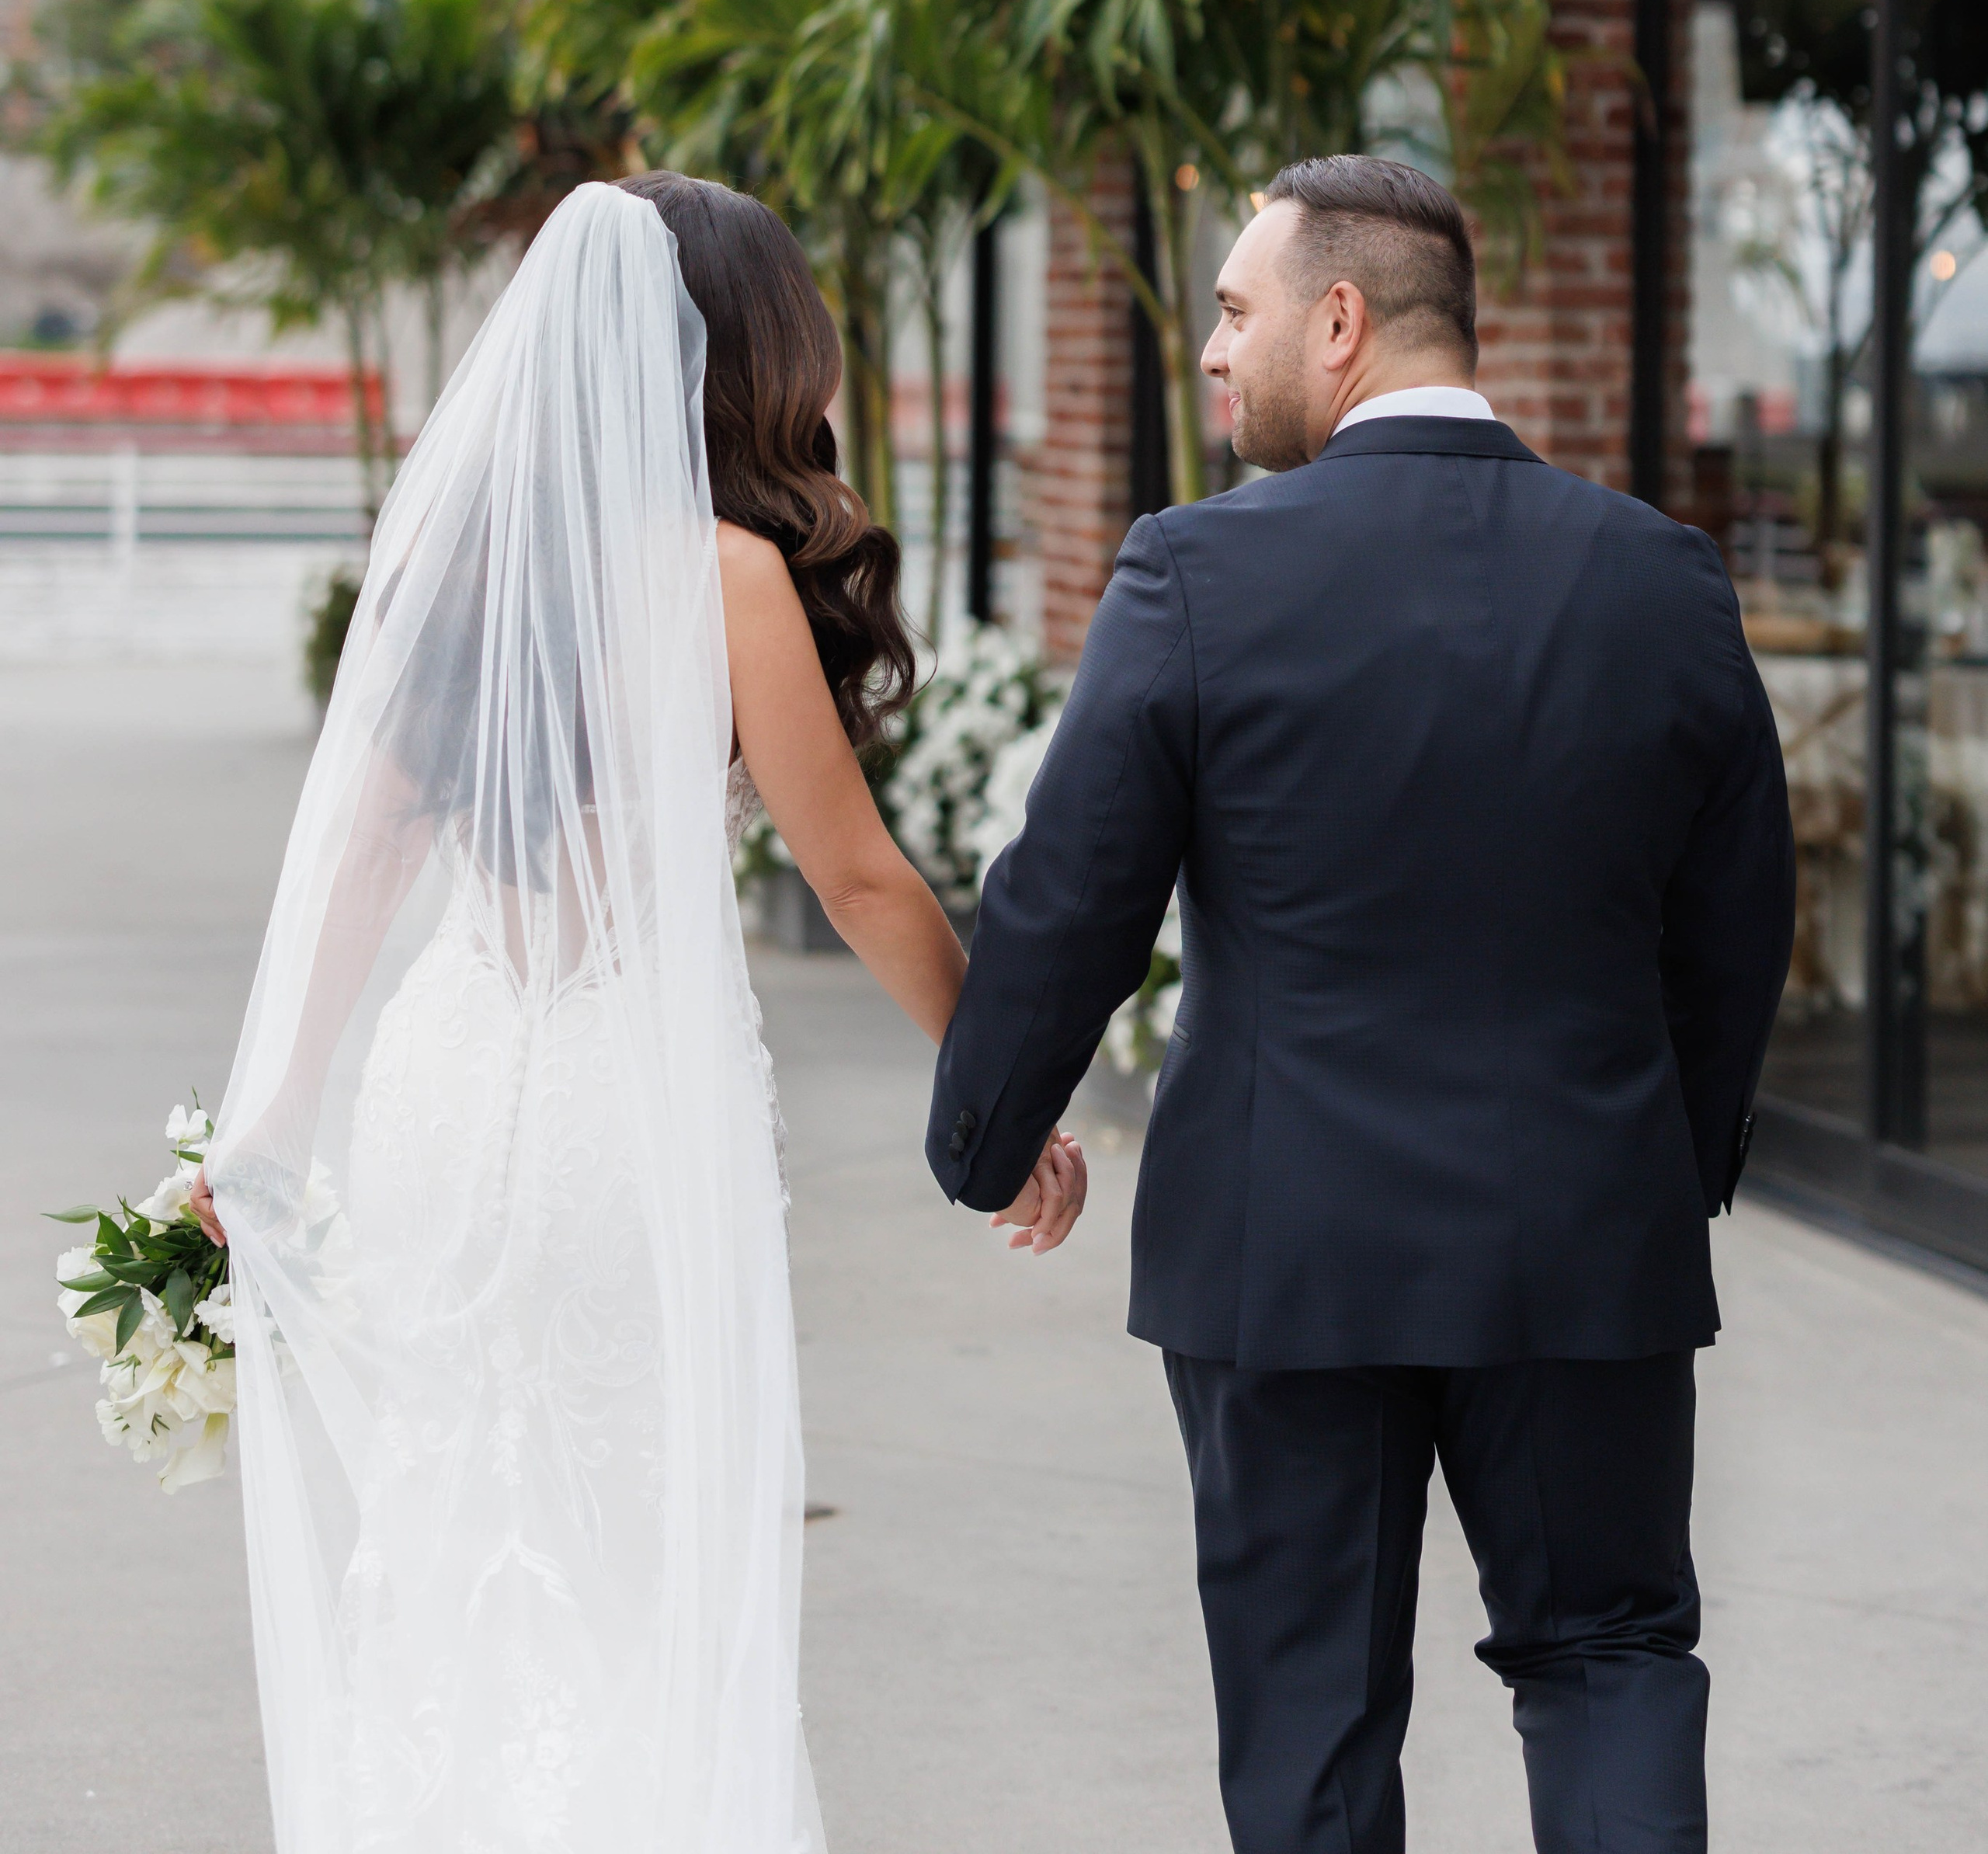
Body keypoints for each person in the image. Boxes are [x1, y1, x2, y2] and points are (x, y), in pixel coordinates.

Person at [194, 173, 1083, 1854]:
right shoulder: (730, 569)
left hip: (444, 1086)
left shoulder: (456, 551)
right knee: (640, 1543)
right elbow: (862, 880)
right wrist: (1004, 1092)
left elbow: (364, 861)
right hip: (623, 1103)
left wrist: (267, 1123)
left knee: (448, 1519)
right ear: (744, 347)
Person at [928, 151, 1795, 1854]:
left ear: (1339, 321)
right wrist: (1656, 1160)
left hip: (1282, 1253)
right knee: (1611, 1654)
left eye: (1233, 311)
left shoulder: (1193, 576)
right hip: (1578, 1238)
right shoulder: (1658, 578)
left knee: (1307, 1714)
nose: (1208, 348)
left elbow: (1066, 892)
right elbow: (1735, 920)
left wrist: (984, 1132)